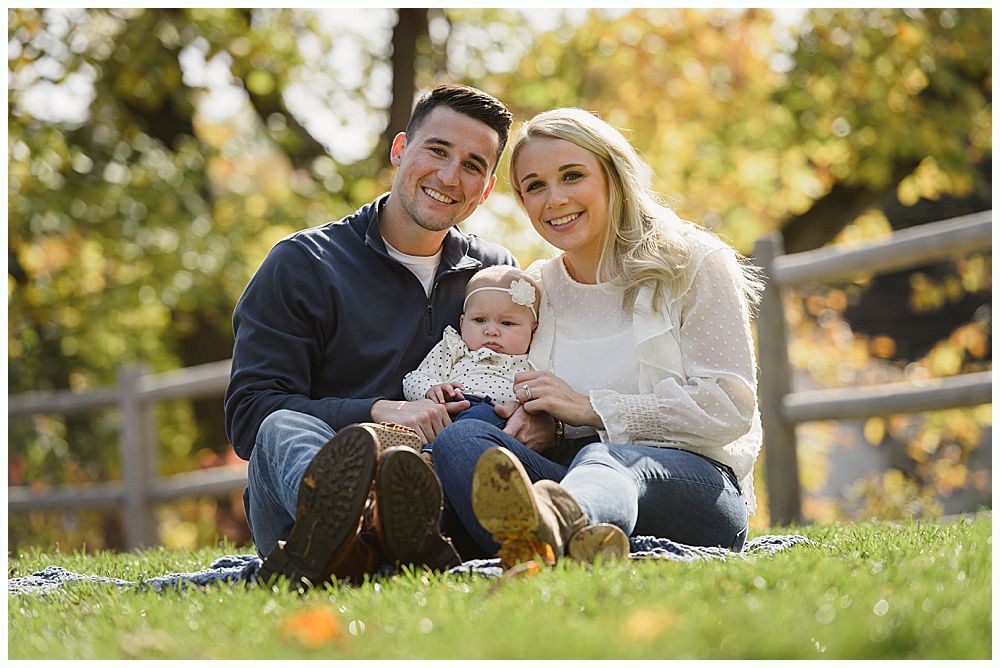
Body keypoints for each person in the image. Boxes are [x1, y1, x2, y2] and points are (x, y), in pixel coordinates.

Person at [431, 108, 765, 567]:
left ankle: (549, 532)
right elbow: (533, 401)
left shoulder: (694, 264)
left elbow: (730, 407)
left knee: (604, 460)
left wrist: (591, 408)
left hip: (693, 485)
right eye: (535, 186)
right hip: (567, 472)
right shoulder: (534, 291)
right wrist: (544, 423)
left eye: (572, 176)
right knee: (462, 441)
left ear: (612, 175)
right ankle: (549, 543)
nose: (555, 200)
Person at [224, 84, 515, 586]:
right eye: (438, 150)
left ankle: (388, 541)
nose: (449, 176)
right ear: (400, 150)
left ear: (486, 188)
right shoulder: (302, 264)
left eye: (472, 165)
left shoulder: (493, 276)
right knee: (279, 428)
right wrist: (377, 410)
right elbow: (250, 413)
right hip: (302, 504)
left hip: (435, 497)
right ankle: (351, 527)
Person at [402, 266, 542, 443]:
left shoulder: (532, 363)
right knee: (418, 421)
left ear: (533, 331)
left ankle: (428, 458)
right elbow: (413, 379)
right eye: (479, 320)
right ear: (462, 322)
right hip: (445, 411)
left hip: (493, 415)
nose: (491, 331)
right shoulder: (454, 347)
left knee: (481, 417)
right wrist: (430, 389)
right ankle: (390, 448)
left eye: (507, 323)